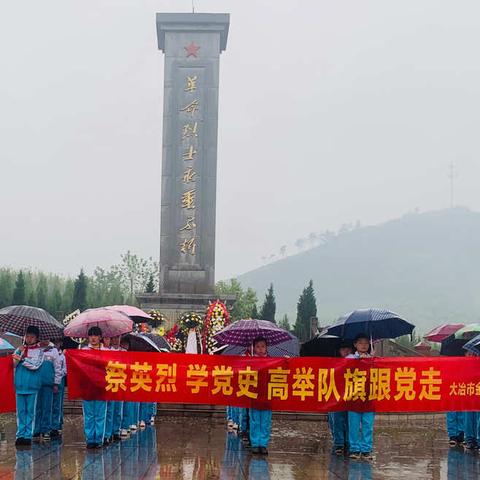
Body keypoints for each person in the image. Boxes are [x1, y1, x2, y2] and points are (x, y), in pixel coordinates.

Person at [12, 325, 44, 446]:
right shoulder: (19, 349)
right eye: (27, 336)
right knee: (20, 412)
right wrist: (19, 353)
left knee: (30, 412)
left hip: (32, 387)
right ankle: (20, 434)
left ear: (36, 338)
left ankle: (28, 435)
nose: (29, 339)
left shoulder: (39, 351)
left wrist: (23, 359)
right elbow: (13, 364)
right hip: (20, 386)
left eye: (32, 337)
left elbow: (35, 365)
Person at [347, 333, 375, 460]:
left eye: (366, 343)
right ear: (355, 344)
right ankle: (354, 449)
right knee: (353, 425)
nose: (363, 345)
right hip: (353, 397)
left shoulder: (373, 359)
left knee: (367, 425)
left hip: (369, 397)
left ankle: (366, 450)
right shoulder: (350, 358)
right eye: (360, 343)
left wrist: (372, 362)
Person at [82, 326, 107, 449]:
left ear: (100, 337)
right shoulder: (83, 351)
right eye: (91, 335)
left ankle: (98, 439)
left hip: (101, 387)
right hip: (87, 387)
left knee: (100, 414)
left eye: (95, 335)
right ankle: (90, 438)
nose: (93, 338)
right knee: (89, 414)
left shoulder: (106, 352)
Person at [33, 340, 61, 441]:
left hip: (48, 385)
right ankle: (36, 430)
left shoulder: (53, 351)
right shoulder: (35, 349)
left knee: (47, 407)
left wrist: (56, 383)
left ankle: (45, 430)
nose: (44, 339)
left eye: (46, 338)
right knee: (37, 408)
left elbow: (58, 368)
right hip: (36, 384)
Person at [328, 341, 353, 455]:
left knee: (350, 420)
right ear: (339, 351)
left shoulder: (357, 361)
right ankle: (338, 443)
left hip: (351, 396)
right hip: (336, 396)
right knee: (336, 419)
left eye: (348, 348)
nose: (346, 351)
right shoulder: (333, 362)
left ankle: (348, 442)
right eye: (343, 349)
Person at [249, 337, 271, 455]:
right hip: (254, 395)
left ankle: (263, 444)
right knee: (255, 420)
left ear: (266, 347)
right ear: (254, 348)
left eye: (263, 346)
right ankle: (255, 444)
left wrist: (286, 362)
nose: (260, 349)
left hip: (268, 395)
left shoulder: (272, 360)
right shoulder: (251, 361)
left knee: (265, 421)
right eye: (258, 346)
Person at [51, 338, 67, 439]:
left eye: (58, 342)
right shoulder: (49, 352)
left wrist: (58, 376)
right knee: (50, 404)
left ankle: (57, 425)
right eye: (54, 342)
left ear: (61, 343)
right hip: (49, 381)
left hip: (60, 381)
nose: (56, 344)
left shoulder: (62, 355)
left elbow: (65, 369)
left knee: (58, 404)